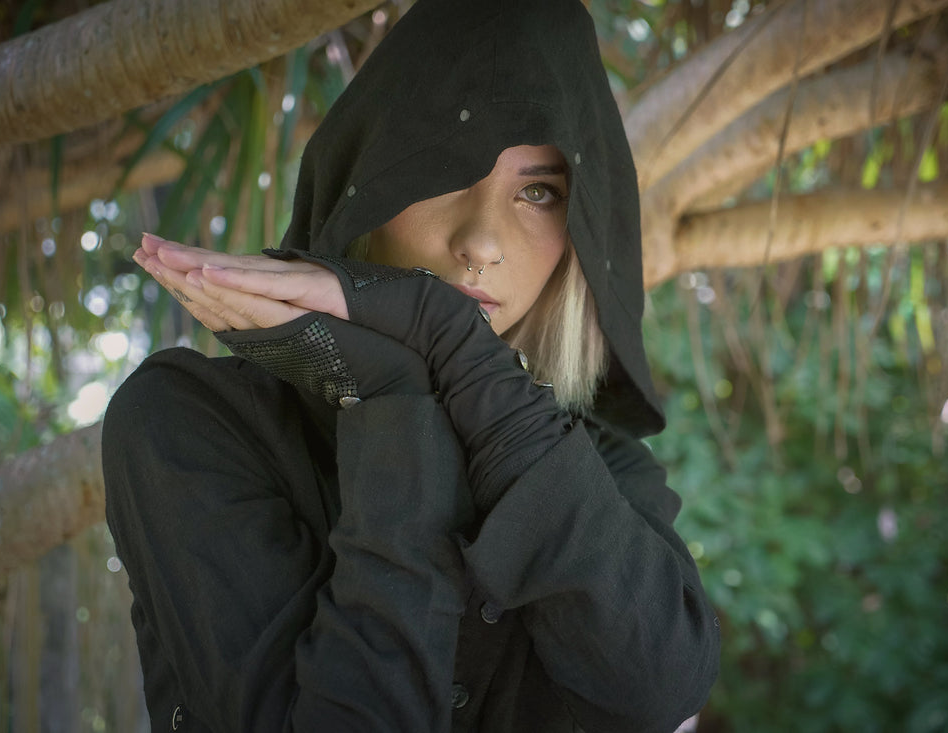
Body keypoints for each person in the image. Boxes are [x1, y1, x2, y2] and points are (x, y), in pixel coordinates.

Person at [103, 0, 721, 731]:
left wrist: (439, 331)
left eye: (538, 191)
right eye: (446, 164)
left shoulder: (602, 468)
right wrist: (392, 392)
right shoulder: (191, 423)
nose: (481, 240)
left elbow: (658, 686)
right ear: (371, 175)